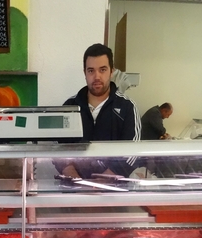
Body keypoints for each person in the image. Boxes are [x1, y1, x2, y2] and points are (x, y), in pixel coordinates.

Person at [56, 43, 142, 178]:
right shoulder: (69, 107)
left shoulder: (127, 107)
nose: (96, 76)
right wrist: (77, 181)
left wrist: (100, 183)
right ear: (84, 72)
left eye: (102, 70)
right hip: (74, 191)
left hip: (113, 192)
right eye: (91, 70)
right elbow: (57, 150)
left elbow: (132, 153)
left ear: (111, 71)